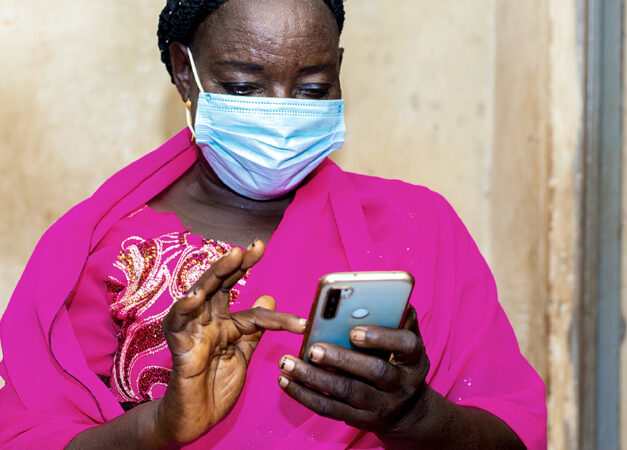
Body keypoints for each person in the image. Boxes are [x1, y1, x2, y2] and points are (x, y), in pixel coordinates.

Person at [0, 0, 547, 448]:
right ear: (182, 71)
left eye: (312, 89)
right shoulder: (101, 245)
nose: (282, 113)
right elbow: (29, 435)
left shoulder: (417, 228)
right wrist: (159, 426)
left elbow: (512, 433)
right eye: (243, 87)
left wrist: (415, 415)